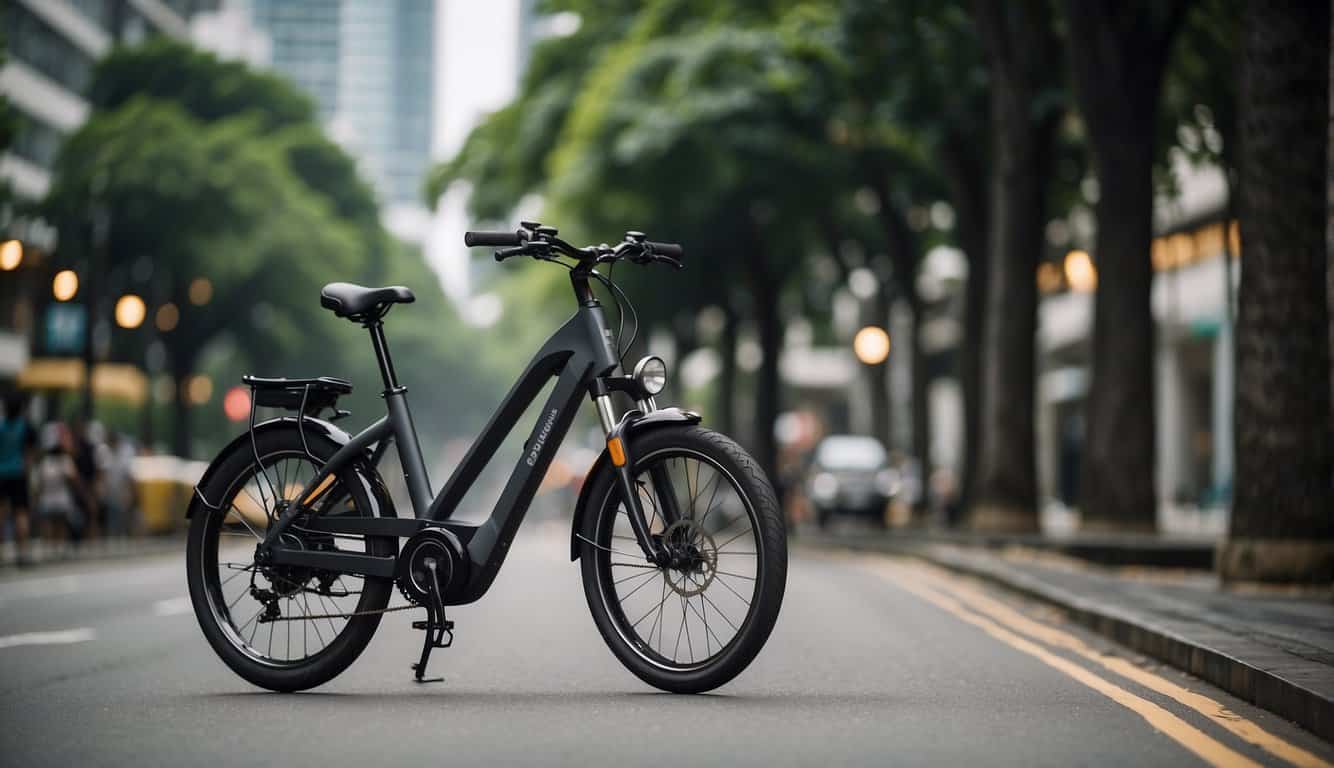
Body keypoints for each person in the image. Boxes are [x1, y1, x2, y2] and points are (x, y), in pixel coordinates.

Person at [0, 393, 36, 564]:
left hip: (1, 474)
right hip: (19, 474)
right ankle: (22, 553)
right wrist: (29, 477)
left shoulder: (1, 427)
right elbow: (29, 455)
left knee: (1, 514)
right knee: (21, 514)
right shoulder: (26, 428)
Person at [98, 431, 138, 537]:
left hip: (123, 492)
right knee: (111, 520)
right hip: (110, 493)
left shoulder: (127, 451)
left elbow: (128, 475)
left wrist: (130, 493)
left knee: (123, 520)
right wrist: (102, 489)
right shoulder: (104, 451)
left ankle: (123, 535)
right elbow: (103, 473)